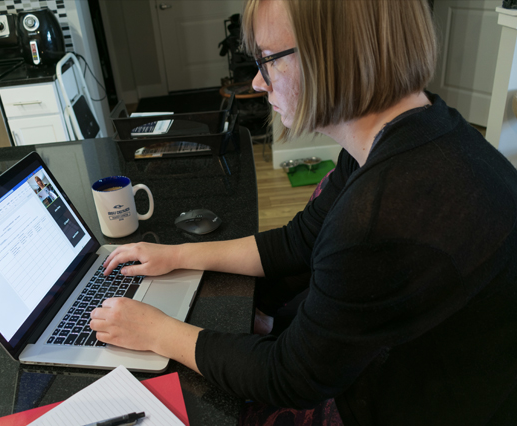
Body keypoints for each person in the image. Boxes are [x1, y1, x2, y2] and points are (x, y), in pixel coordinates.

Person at [90, 0, 517, 424]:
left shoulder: (381, 213)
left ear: (337, 54)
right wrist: (177, 255)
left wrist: (158, 332)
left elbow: (289, 379)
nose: (258, 81)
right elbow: (298, 241)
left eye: (268, 60)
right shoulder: (406, 131)